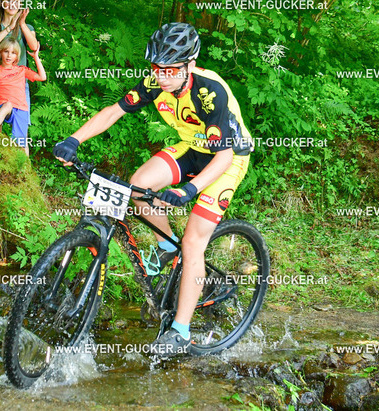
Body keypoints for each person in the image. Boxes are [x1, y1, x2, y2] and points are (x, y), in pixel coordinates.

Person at [53, 23, 254, 357]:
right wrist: (75, 139)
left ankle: (181, 331)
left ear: (190, 65)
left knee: (193, 242)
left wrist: (189, 190)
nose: (161, 77)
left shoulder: (210, 93)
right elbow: (114, 111)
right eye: (157, 68)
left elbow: (223, 157)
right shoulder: (155, 81)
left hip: (227, 159)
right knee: (138, 187)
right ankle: (166, 246)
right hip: (192, 147)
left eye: (171, 70)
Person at [0, 0, 38, 124]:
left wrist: (21, 24)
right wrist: (9, 28)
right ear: (2, 4)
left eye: (16, 2)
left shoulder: (28, 28)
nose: (12, 4)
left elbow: (34, 47)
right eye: (8, 1)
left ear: (20, 5)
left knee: (21, 127)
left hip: (18, 84)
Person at [0, 38, 46, 156]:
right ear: (0, 52)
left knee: (22, 143)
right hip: (5, 109)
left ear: (17, 56)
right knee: (7, 105)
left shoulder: (21, 70)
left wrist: (36, 57)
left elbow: (42, 77)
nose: (9, 56)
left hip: (21, 109)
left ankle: (25, 166)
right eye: (6, 51)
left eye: (13, 53)